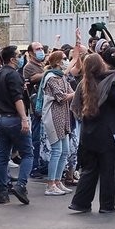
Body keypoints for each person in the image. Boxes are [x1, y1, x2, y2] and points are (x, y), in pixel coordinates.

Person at [69, 54, 115, 213]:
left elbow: (77, 108)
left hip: (88, 134)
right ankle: (107, 205)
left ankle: (80, 202)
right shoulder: (110, 84)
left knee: (89, 170)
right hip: (108, 134)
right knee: (109, 171)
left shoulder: (83, 84)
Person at [0, 46, 33, 205]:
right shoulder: (13, 75)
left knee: (2, 155)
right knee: (27, 153)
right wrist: (23, 118)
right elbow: (17, 98)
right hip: (13, 118)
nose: (21, 57)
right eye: (19, 55)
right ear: (13, 59)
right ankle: (21, 185)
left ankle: (2, 192)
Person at [39, 50, 75, 196]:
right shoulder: (52, 78)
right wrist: (77, 91)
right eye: (65, 59)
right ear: (59, 62)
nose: (67, 61)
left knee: (65, 151)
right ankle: (50, 184)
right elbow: (62, 96)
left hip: (63, 116)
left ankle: (58, 181)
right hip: (53, 116)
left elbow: (69, 92)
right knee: (57, 151)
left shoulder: (61, 77)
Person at [24, 41, 48, 179]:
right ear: (31, 53)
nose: (41, 51)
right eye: (37, 49)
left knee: (44, 138)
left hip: (46, 105)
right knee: (36, 138)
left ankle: (43, 165)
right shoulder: (29, 67)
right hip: (36, 107)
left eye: (41, 48)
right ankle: (34, 167)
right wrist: (49, 71)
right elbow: (33, 78)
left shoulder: (42, 65)